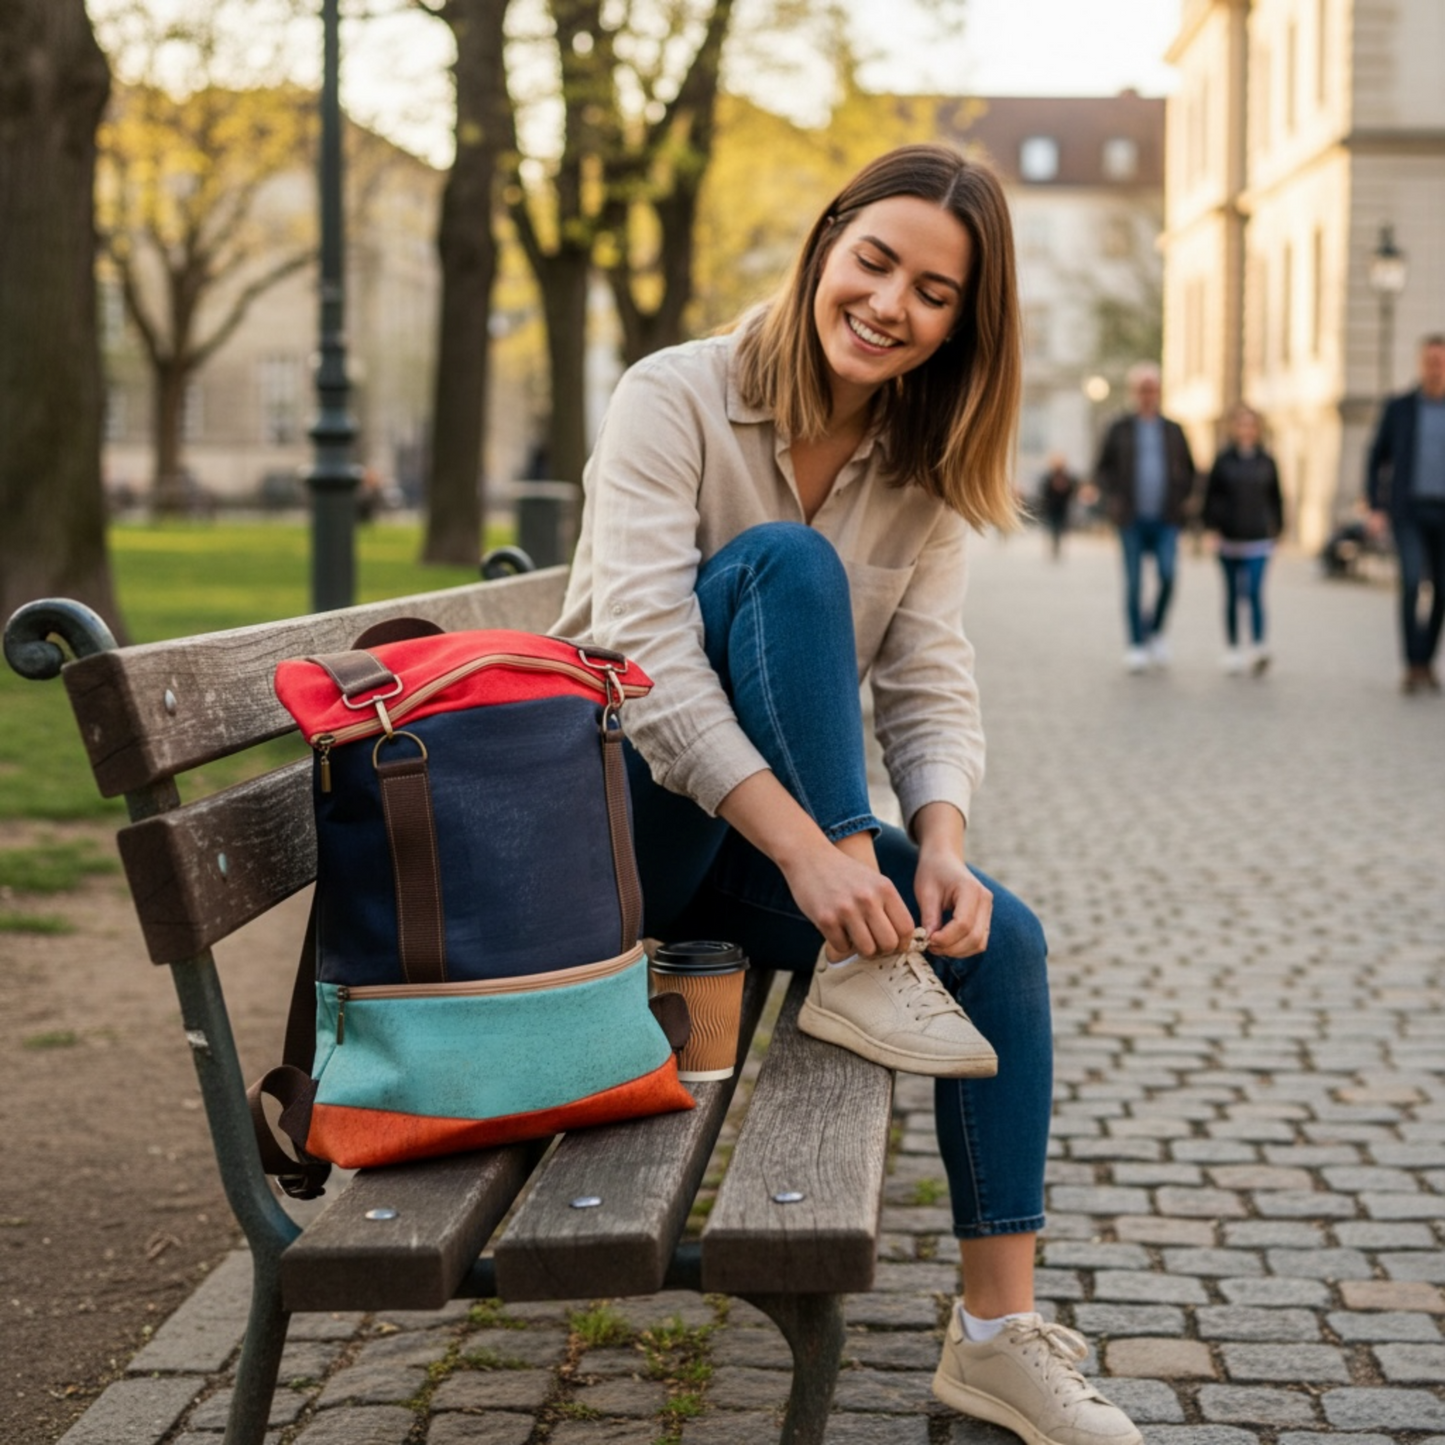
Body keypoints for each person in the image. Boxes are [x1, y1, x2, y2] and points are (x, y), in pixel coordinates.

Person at [554, 145, 1142, 1445]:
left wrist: (937, 840)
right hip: (614, 832)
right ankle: (859, 941)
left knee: (1000, 938)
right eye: (874, 261)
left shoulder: (919, 464)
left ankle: (995, 1337)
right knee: (784, 564)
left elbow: (929, 679)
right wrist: (826, 855)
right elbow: (640, 669)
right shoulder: (675, 396)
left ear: (963, 323)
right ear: (826, 244)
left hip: (759, 849)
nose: (890, 304)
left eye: (935, 292)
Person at [1092, 362, 1198, 672]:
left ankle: (1156, 631)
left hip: (1166, 518)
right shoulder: (1119, 428)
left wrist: (1183, 501)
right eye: (1142, 389)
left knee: (1167, 576)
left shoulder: (1173, 429)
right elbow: (1102, 469)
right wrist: (1112, 499)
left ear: (1159, 392)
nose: (1147, 394)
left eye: (1152, 388)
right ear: (1133, 392)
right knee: (1134, 583)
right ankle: (1136, 644)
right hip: (1131, 519)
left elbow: (1190, 470)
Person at [1366, 333, 1445, 694]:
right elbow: (1375, 457)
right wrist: (1375, 505)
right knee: (1412, 580)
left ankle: (1426, 661)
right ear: (1420, 364)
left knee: (1442, 589)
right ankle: (1411, 663)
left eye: (1441, 362)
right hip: (1409, 511)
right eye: (1430, 361)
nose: (1435, 369)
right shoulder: (1399, 408)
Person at [1203, 404, 1284, 675]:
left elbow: (1277, 498)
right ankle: (1233, 647)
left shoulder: (1267, 460)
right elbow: (1210, 496)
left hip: (1258, 537)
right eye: (1241, 424)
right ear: (1234, 428)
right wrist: (1210, 528)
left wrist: (1278, 529)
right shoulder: (1223, 460)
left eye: (1251, 424)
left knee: (1254, 592)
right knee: (1232, 594)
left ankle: (1259, 645)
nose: (1246, 430)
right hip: (1228, 537)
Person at [1036, 452, 1079, 559]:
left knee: (1060, 528)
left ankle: (1058, 546)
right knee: (1051, 527)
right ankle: (1053, 546)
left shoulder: (1067, 477)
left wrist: (1065, 488)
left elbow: (1073, 490)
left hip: (1063, 507)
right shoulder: (1048, 477)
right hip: (1051, 507)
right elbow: (1043, 491)